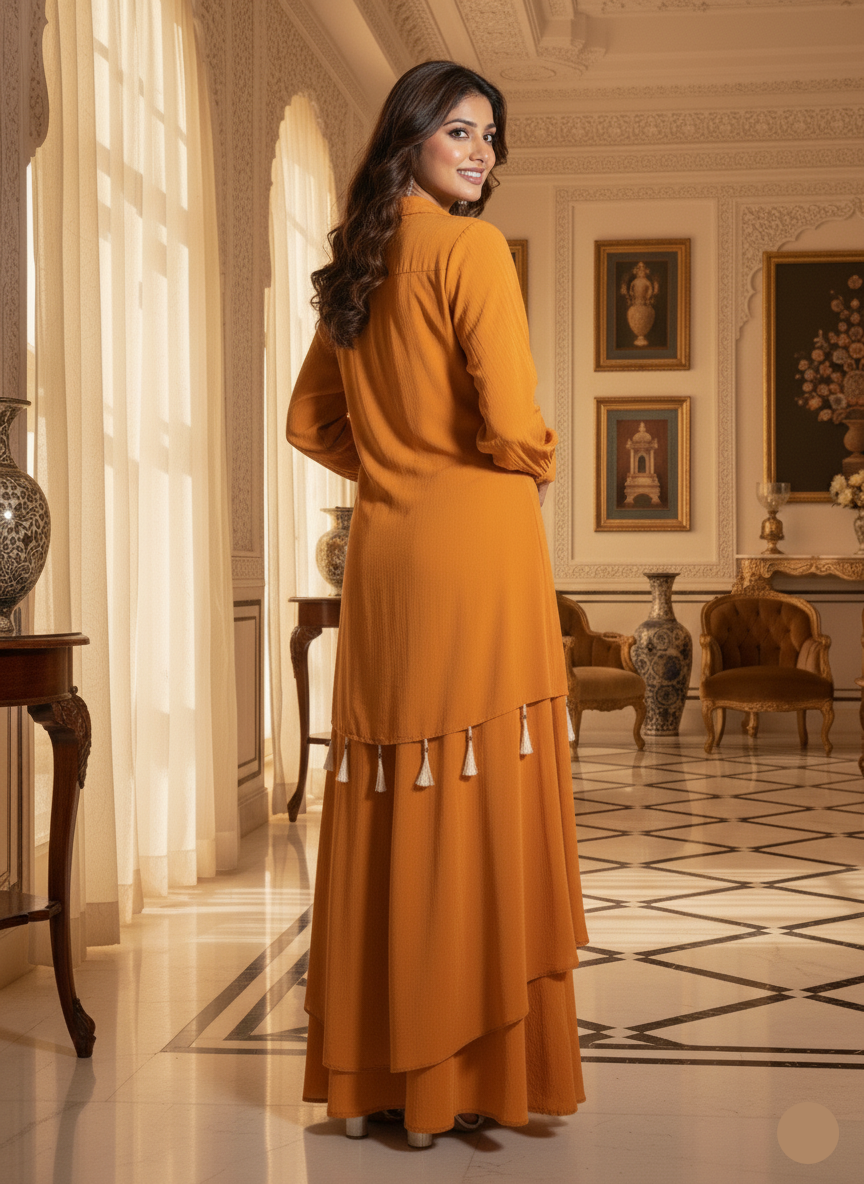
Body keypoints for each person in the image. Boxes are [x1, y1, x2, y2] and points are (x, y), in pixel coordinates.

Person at [286, 59, 588, 1149]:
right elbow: (511, 421)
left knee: (392, 791)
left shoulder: (357, 266)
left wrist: (393, 461)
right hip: (479, 551)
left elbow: (309, 422)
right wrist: (533, 457)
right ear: (409, 135)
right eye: (460, 130)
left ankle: (381, 1076)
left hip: (386, 558)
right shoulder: (471, 251)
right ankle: (466, 1074)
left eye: (490, 136)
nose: (481, 151)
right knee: (478, 791)